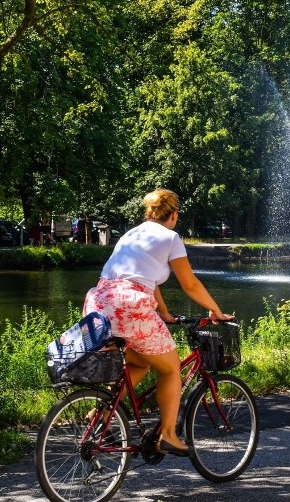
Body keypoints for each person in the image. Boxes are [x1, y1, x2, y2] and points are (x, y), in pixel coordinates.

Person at [83, 188, 230, 457]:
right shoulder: (171, 237)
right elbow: (190, 284)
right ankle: (168, 435)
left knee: (139, 362)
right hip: (129, 306)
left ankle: (102, 412)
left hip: (99, 305)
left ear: (148, 212)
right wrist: (215, 311)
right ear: (174, 214)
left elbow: (146, 279)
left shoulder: (132, 234)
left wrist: (163, 312)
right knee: (171, 369)